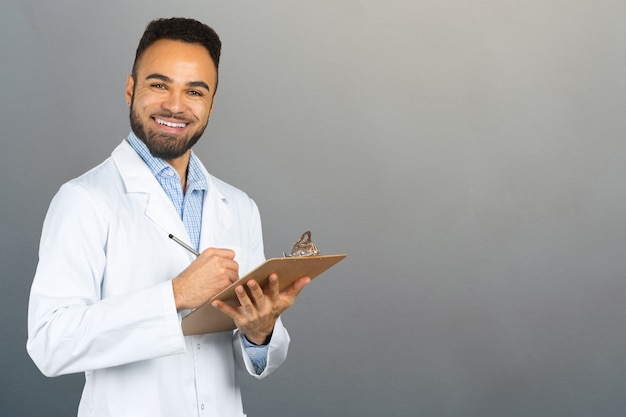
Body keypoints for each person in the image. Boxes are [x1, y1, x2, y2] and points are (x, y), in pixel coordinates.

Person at [26, 17, 311, 417]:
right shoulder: (84, 200)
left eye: (194, 91)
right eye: (159, 85)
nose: (175, 106)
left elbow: (255, 354)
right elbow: (49, 343)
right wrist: (174, 295)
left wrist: (260, 332)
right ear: (130, 90)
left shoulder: (239, 206)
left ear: (211, 104)